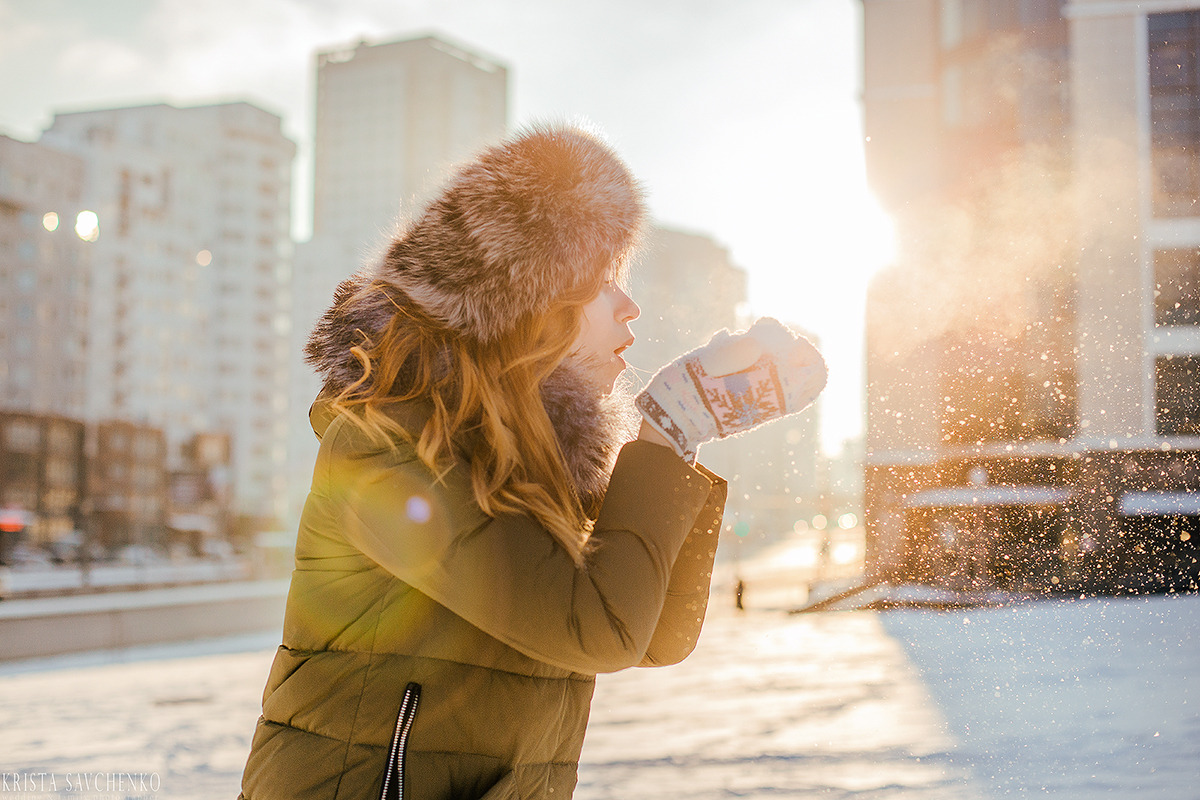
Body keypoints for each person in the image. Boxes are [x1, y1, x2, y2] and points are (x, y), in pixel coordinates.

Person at [239, 124, 827, 800]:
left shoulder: (541, 462)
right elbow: (601, 629)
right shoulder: (387, 448)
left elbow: (657, 635)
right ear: (528, 300)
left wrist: (681, 438)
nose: (630, 306)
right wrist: (666, 429)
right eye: (604, 280)